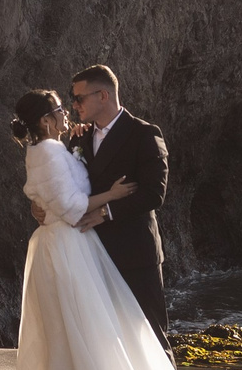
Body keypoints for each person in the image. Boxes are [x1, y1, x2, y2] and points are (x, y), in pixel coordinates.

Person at [6, 89, 207, 370]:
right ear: (46, 121)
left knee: (83, 333)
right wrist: (112, 195)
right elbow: (70, 207)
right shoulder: (48, 151)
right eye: (61, 109)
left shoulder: (55, 148)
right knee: (92, 331)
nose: (69, 112)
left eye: (71, 104)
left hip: (71, 245)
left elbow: (54, 195)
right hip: (68, 247)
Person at [68, 65, 170, 345]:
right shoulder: (79, 138)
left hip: (135, 254)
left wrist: (106, 212)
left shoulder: (144, 134)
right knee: (105, 343)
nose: (74, 105)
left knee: (150, 338)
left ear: (103, 95)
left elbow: (154, 194)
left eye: (79, 98)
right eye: (73, 99)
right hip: (92, 252)